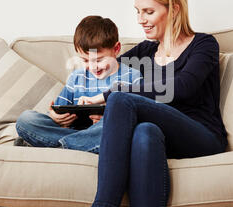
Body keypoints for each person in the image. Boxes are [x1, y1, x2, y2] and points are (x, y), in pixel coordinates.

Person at [78, 0, 229, 207]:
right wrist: (73, 107)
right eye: (137, 11)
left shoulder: (203, 45)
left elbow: (182, 87)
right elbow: (102, 71)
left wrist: (108, 97)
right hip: (159, 136)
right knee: (145, 131)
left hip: (201, 135)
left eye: (148, 12)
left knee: (120, 98)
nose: (140, 20)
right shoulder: (146, 51)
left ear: (174, 9)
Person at [14, 15, 142, 154]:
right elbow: (57, 108)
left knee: (116, 125)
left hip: (103, 132)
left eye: (99, 60)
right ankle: (79, 144)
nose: (93, 67)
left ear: (116, 49)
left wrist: (108, 118)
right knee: (26, 119)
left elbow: (137, 117)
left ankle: (56, 146)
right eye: (85, 60)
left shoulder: (132, 77)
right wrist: (56, 117)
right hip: (74, 130)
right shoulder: (77, 77)